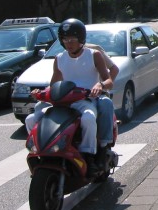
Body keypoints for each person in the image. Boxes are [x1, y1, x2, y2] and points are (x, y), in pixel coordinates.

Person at [25, 19, 112, 175]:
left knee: (88, 118)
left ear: (81, 39)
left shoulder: (94, 55)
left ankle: (89, 156)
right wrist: (40, 92)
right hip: (62, 101)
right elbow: (54, 84)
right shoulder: (59, 58)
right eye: (65, 39)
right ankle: (40, 150)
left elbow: (109, 80)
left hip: (84, 100)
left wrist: (100, 85)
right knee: (31, 119)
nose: (69, 43)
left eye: (72, 39)